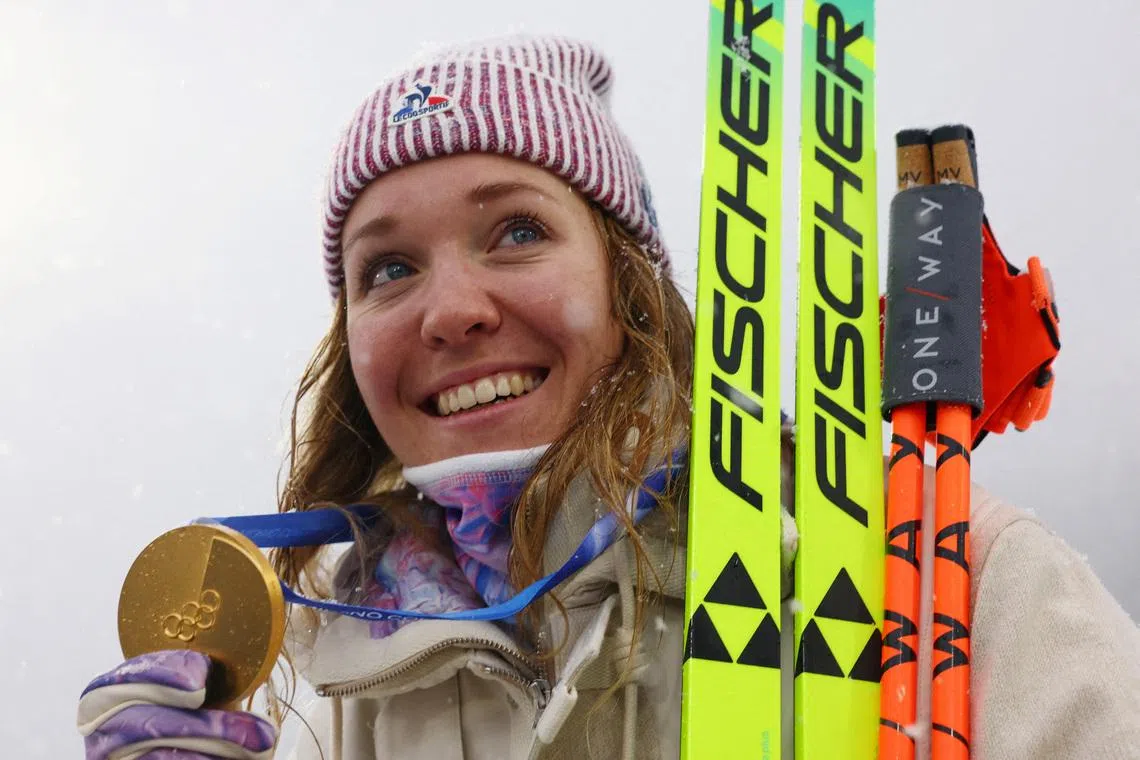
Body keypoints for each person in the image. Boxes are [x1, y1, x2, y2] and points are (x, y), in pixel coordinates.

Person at [77, 34, 1140, 760]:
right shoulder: (349, 678)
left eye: (518, 230)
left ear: (629, 283)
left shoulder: (946, 572)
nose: (450, 309)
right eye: (386, 269)